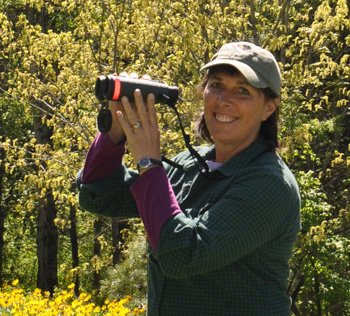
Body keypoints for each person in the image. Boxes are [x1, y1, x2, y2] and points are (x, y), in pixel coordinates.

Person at [77, 42, 301, 315]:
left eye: (242, 91)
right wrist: (115, 128)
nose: (224, 100)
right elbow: (99, 194)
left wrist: (149, 162)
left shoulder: (270, 183)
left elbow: (183, 255)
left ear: (269, 108)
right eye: (216, 85)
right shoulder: (188, 164)